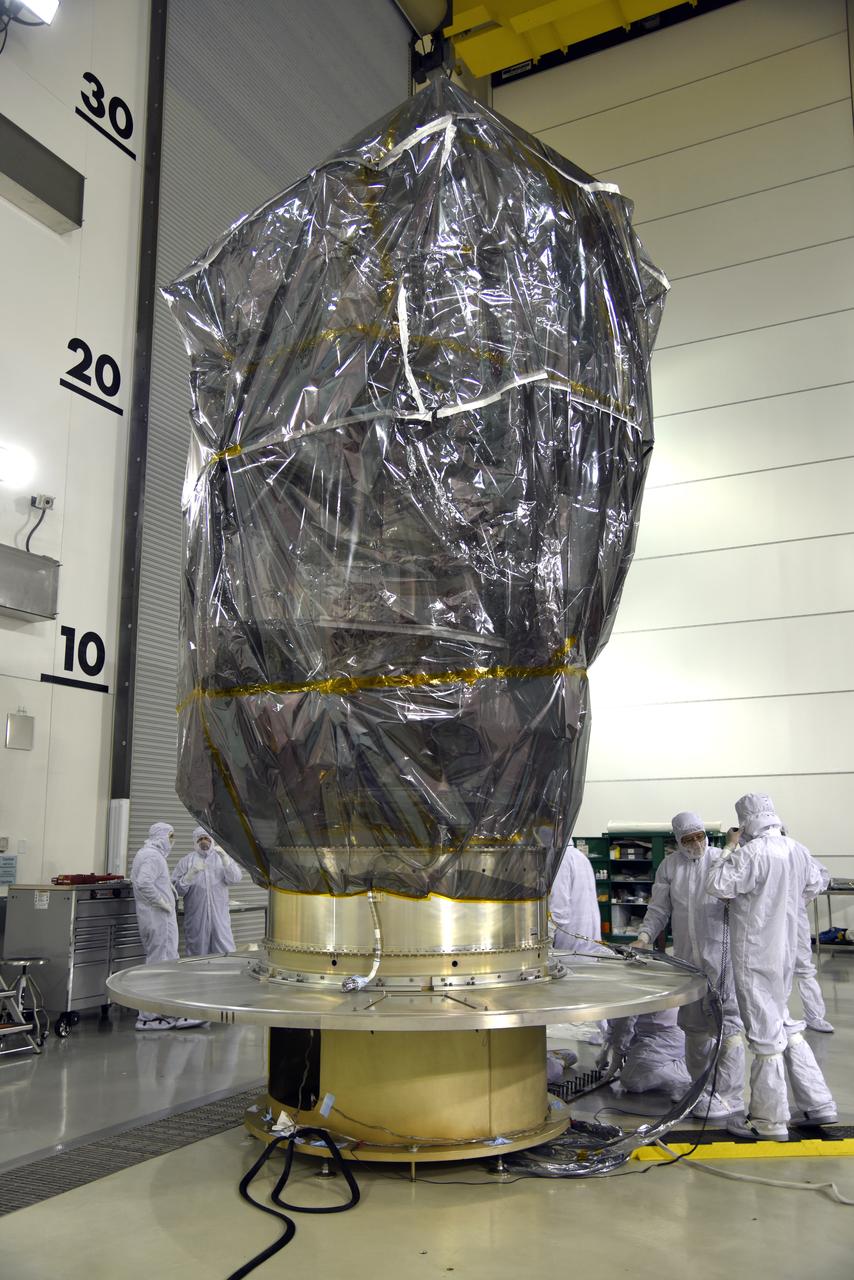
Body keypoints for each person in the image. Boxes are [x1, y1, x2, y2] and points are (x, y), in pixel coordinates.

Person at [706, 793, 836, 1141]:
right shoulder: (797, 849)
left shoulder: (750, 853)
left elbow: (716, 885)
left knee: (764, 1035)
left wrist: (730, 848)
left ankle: (768, 1120)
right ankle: (818, 1103)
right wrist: (788, 901)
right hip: (787, 951)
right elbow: (818, 880)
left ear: (745, 821)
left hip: (756, 953)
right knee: (785, 1023)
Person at [633, 811, 745, 1121]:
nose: (695, 843)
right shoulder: (670, 867)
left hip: (721, 955)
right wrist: (644, 936)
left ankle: (730, 1095)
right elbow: (658, 909)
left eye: (699, 837)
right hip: (687, 960)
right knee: (694, 1028)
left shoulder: (720, 860)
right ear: (678, 842)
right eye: (688, 839)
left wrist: (731, 852)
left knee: (729, 1026)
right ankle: (702, 1088)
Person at [130, 822, 204, 1031]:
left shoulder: (148, 854)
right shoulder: (152, 856)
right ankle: (148, 1016)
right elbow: (144, 883)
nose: (172, 841)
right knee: (160, 967)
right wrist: (161, 902)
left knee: (163, 965)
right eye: (170, 836)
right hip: (158, 919)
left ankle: (160, 1011)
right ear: (160, 836)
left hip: (157, 919)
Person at [782, 828, 833, 1033]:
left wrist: (799, 902)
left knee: (803, 967)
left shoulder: (796, 850)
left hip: (794, 919)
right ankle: (780, 1017)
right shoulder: (755, 852)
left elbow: (820, 877)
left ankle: (814, 1016)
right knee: (776, 970)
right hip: (766, 923)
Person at [173, 827, 243, 956]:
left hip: (219, 917)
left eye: (206, 838)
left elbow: (235, 879)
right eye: (200, 839)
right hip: (196, 918)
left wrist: (226, 860)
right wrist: (190, 875)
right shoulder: (186, 861)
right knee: (197, 954)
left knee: (225, 951)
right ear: (195, 842)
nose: (204, 841)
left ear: (212, 839)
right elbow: (177, 891)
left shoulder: (221, 857)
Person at [599, 1008, 692, 1100]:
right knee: (632, 1074)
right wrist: (605, 1049)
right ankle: (690, 1062)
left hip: (664, 1035)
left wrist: (617, 1055)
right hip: (651, 1033)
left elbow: (625, 1021)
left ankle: (691, 1070)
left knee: (632, 1080)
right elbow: (615, 1019)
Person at [549, 841, 606, 954]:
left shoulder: (560, 860)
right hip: (590, 947)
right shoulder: (580, 856)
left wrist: (545, 939)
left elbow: (558, 912)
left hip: (570, 951)